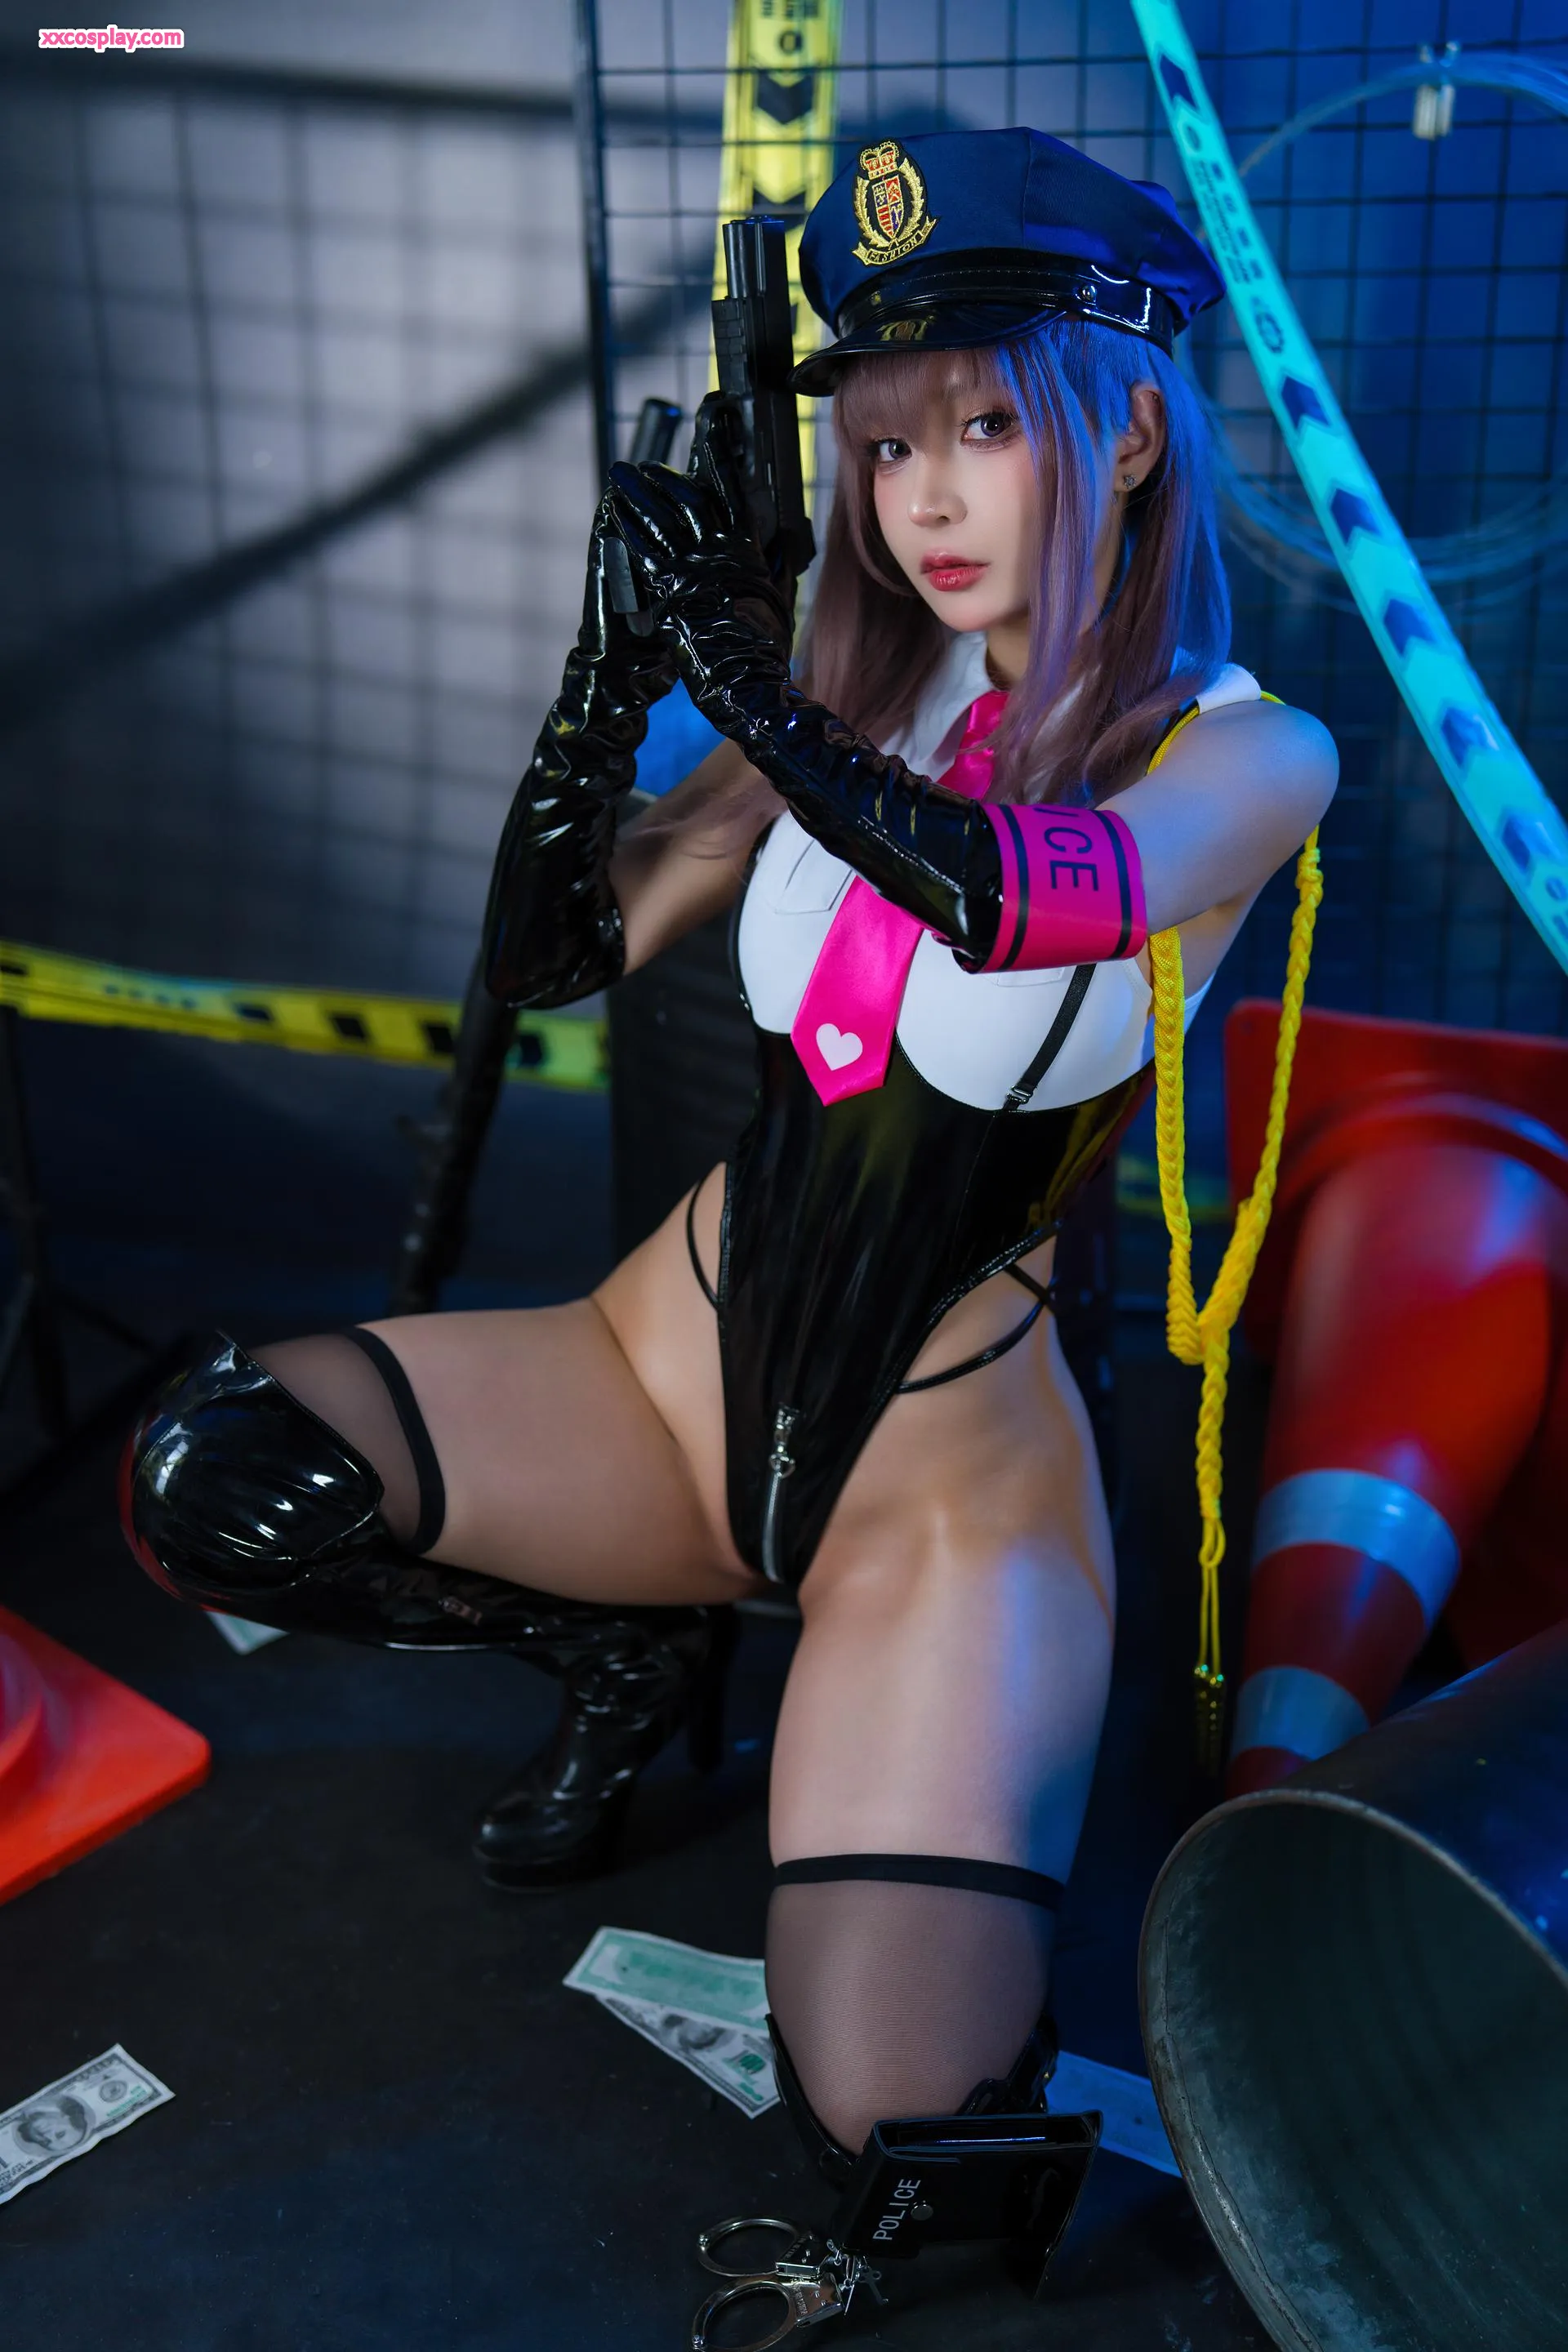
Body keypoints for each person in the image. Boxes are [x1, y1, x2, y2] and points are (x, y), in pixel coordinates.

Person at [120, 129, 1337, 2309]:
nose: (926, 498)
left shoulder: (1241, 758)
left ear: (1135, 432)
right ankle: (621, 1649)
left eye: (985, 428)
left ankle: (779, 1701)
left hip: (936, 1485)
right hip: (663, 1360)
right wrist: (610, 685)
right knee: (217, 1476)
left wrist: (750, 679)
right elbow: (551, 956)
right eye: (886, 446)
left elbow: (1022, 901)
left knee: (896, 2123)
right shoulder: (864, 699)